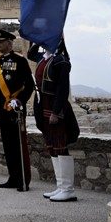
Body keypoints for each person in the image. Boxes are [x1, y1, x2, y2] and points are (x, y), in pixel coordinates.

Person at [0, 29, 35, 191]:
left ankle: (23, 179)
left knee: (18, 144)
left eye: (1, 42)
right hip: (2, 109)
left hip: (15, 108)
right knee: (8, 145)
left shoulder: (19, 60)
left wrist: (19, 100)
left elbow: (29, 85)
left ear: (10, 43)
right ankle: (13, 177)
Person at [28, 40, 80, 202]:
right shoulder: (43, 58)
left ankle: (68, 188)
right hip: (43, 107)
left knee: (60, 147)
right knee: (52, 147)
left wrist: (56, 112)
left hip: (55, 109)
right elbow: (30, 53)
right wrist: (36, 39)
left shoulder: (61, 61)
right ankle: (60, 186)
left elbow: (62, 88)